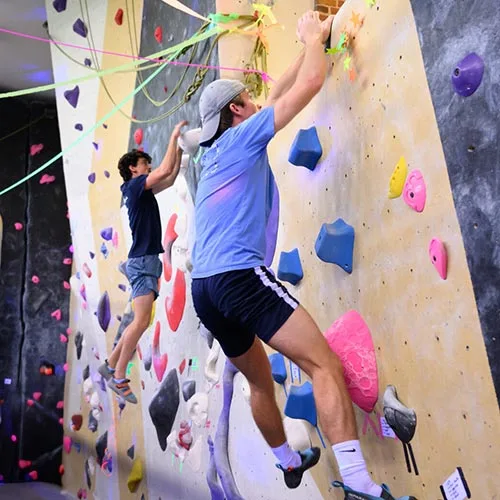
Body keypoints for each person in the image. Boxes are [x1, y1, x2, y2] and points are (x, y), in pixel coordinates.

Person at [190, 10, 416, 500]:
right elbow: (310, 82)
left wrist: (310, 38)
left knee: (258, 382)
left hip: (204, 291)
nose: (255, 106)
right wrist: (316, 44)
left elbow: (277, 92)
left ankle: (288, 461)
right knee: (324, 366)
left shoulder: (212, 155)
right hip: (238, 277)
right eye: (245, 103)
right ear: (235, 112)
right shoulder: (242, 135)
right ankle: (357, 481)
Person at [98, 120, 187, 404]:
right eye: (143, 164)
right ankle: (120, 376)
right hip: (143, 261)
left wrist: (182, 149)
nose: (147, 167)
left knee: (139, 321)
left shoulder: (140, 191)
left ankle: (111, 363)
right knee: (141, 321)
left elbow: (170, 177)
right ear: (133, 170)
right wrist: (173, 135)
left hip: (144, 261)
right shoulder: (135, 186)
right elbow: (162, 170)